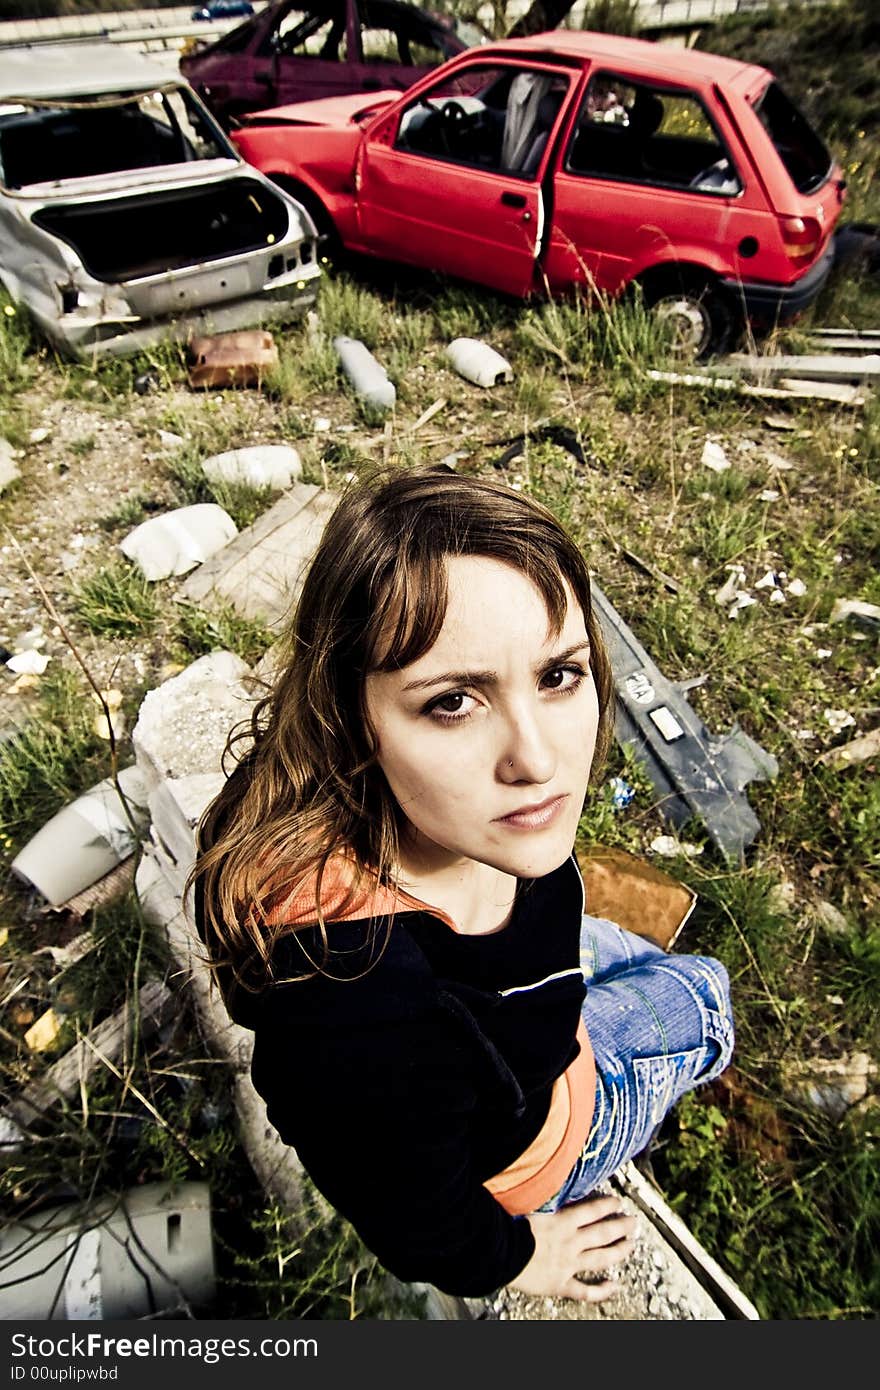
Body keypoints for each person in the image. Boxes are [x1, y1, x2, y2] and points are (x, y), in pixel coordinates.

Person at [190, 464, 733, 1303]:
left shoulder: (377, 799)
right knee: (704, 992)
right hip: (544, 1135)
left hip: (521, 1009)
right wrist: (519, 1259)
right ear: (350, 717)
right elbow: (411, 1214)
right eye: (452, 702)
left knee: (611, 949)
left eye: (559, 675)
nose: (540, 760)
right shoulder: (363, 1010)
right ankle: (634, 1128)